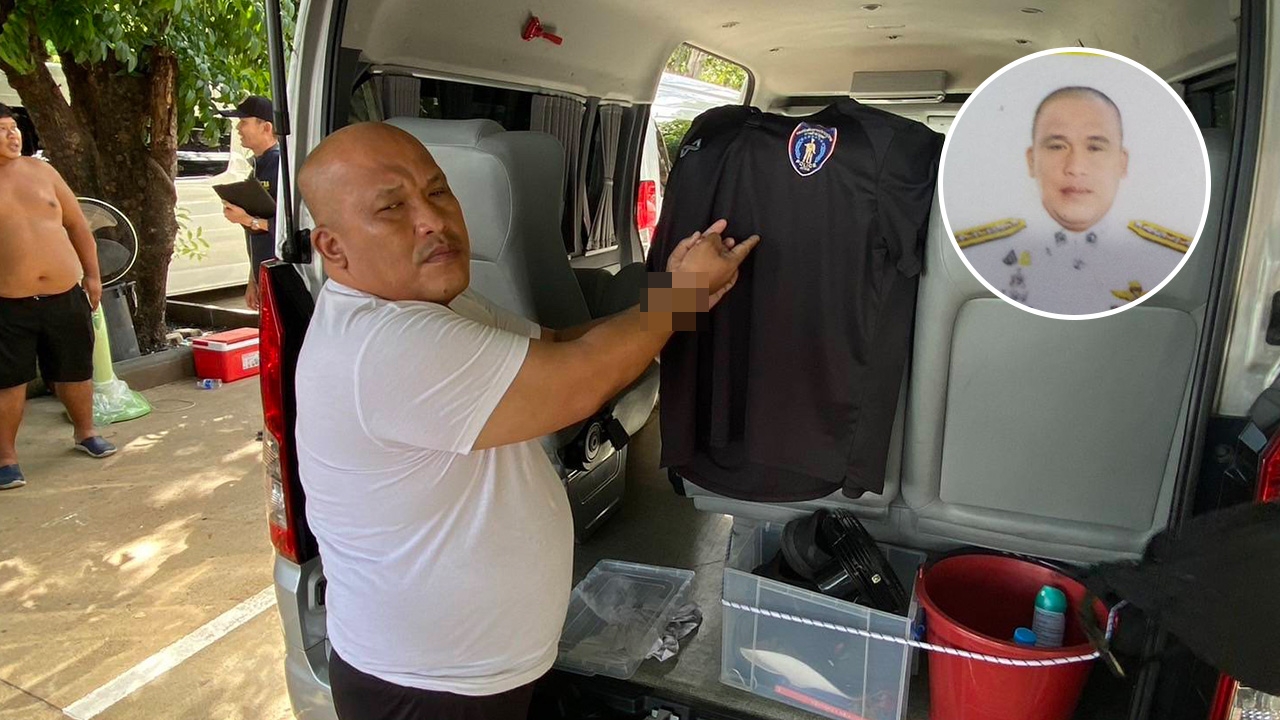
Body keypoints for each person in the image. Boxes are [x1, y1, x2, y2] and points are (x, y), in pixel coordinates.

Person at [293, 121, 758, 720]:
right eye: (392, 207)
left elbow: (556, 345)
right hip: (428, 689)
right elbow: (576, 382)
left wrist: (675, 293)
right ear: (333, 248)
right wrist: (681, 295)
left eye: (438, 191)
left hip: (476, 672)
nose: (432, 219)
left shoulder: (434, 305)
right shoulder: (383, 345)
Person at [955, 86, 1193, 315]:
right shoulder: (977, 253)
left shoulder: (1171, 257)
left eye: (1095, 148)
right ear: (1032, 160)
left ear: (1122, 163)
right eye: (1057, 146)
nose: (1076, 167)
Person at [0, 103, 117, 491]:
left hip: (64, 293)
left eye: (14, 127)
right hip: (9, 301)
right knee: (8, 381)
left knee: (76, 370)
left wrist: (93, 276)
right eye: (2, 129)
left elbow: (78, 225)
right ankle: (6, 457)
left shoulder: (44, 172)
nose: (12, 135)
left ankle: (86, 432)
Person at [219, 95, 279, 311]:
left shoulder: (281, 166)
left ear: (266, 127)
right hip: (264, 274)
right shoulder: (257, 167)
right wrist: (253, 279)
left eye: (244, 122)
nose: (238, 128)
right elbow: (256, 235)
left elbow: (290, 226)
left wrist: (247, 219)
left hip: (283, 273)